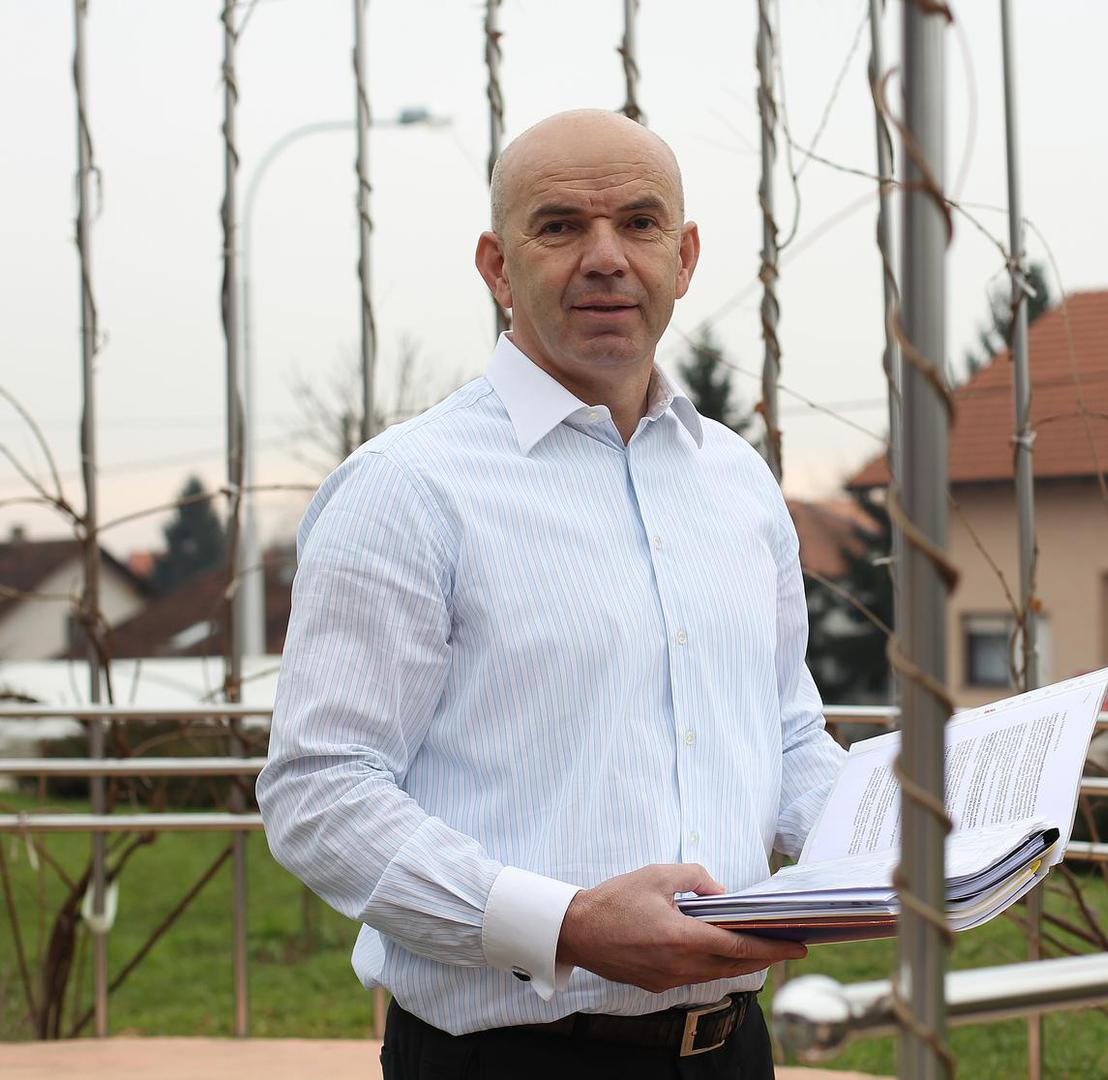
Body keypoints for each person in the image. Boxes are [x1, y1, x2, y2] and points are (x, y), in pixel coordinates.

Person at [255, 109, 847, 1078]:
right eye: (561, 225)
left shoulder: (736, 481)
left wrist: (894, 845)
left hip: (731, 1049)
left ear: (684, 257)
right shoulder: (406, 488)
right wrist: (565, 925)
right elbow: (320, 791)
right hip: (507, 1060)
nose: (605, 257)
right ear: (497, 266)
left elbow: (782, 731)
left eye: (640, 223)